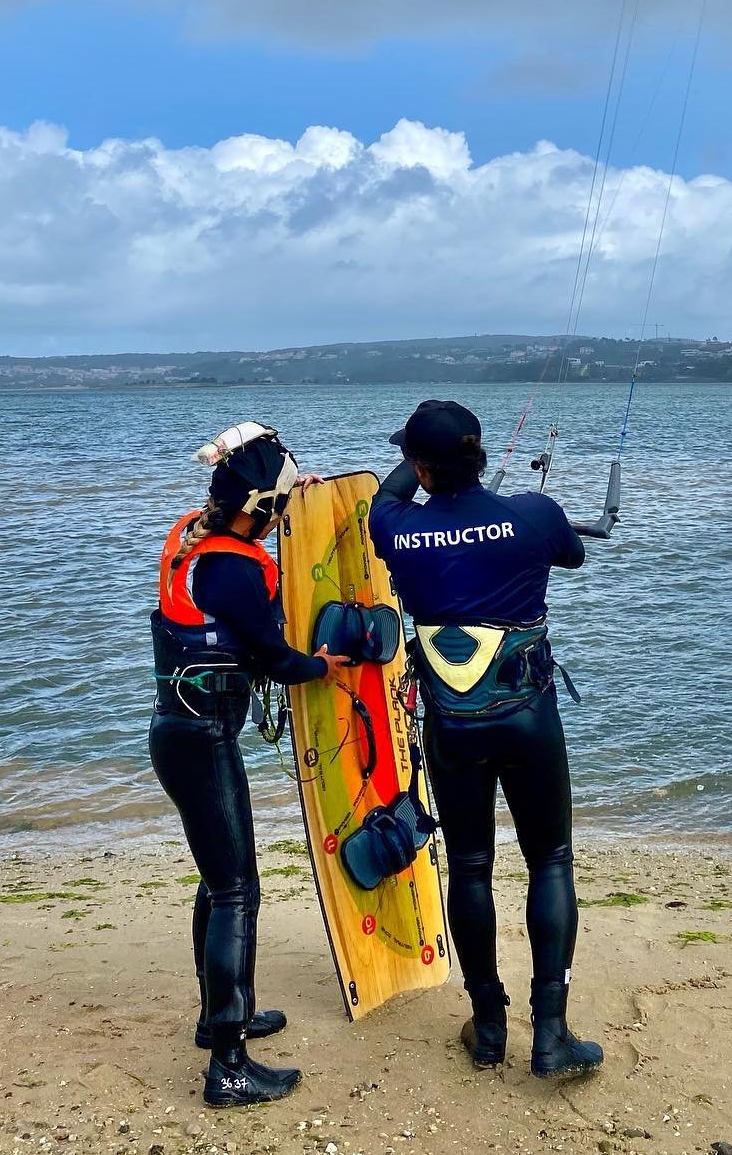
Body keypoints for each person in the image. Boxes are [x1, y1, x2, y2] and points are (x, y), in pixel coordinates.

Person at [369, 399, 603, 1080]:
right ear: (480, 455)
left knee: (471, 866)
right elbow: (576, 555)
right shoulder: (532, 512)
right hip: (527, 713)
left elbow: (388, 493)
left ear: (418, 464)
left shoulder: (394, 523)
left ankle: (491, 1026)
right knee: (550, 859)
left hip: (453, 726)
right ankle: (551, 1035)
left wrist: (416, 468)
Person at [149, 421, 352, 1109]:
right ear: (259, 507)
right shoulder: (235, 568)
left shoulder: (193, 535)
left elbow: (247, 515)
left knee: (217, 882)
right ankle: (229, 1066)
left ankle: (218, 1020)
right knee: (238, 891)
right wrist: (322, 666)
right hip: (203, 738)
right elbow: (275, 659)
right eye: (278, 508)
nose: (278, 522)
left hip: (178, 730)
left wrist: (303, 496)